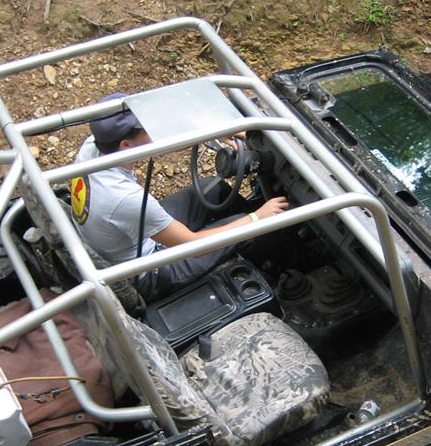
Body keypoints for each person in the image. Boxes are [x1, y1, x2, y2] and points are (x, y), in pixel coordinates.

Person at [70, 93, 288, 300]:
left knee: (214, 189)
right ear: (126, 146)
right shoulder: (125, 198)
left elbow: (157, 138)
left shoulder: (93, 147)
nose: (154, 128)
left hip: (127, 238)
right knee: (249, 228)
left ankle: (260, 226)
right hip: (149, 272)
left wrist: (215, 132)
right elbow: (193, 245)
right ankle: (284, 266)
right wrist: (257, 218)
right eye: (147, 128)